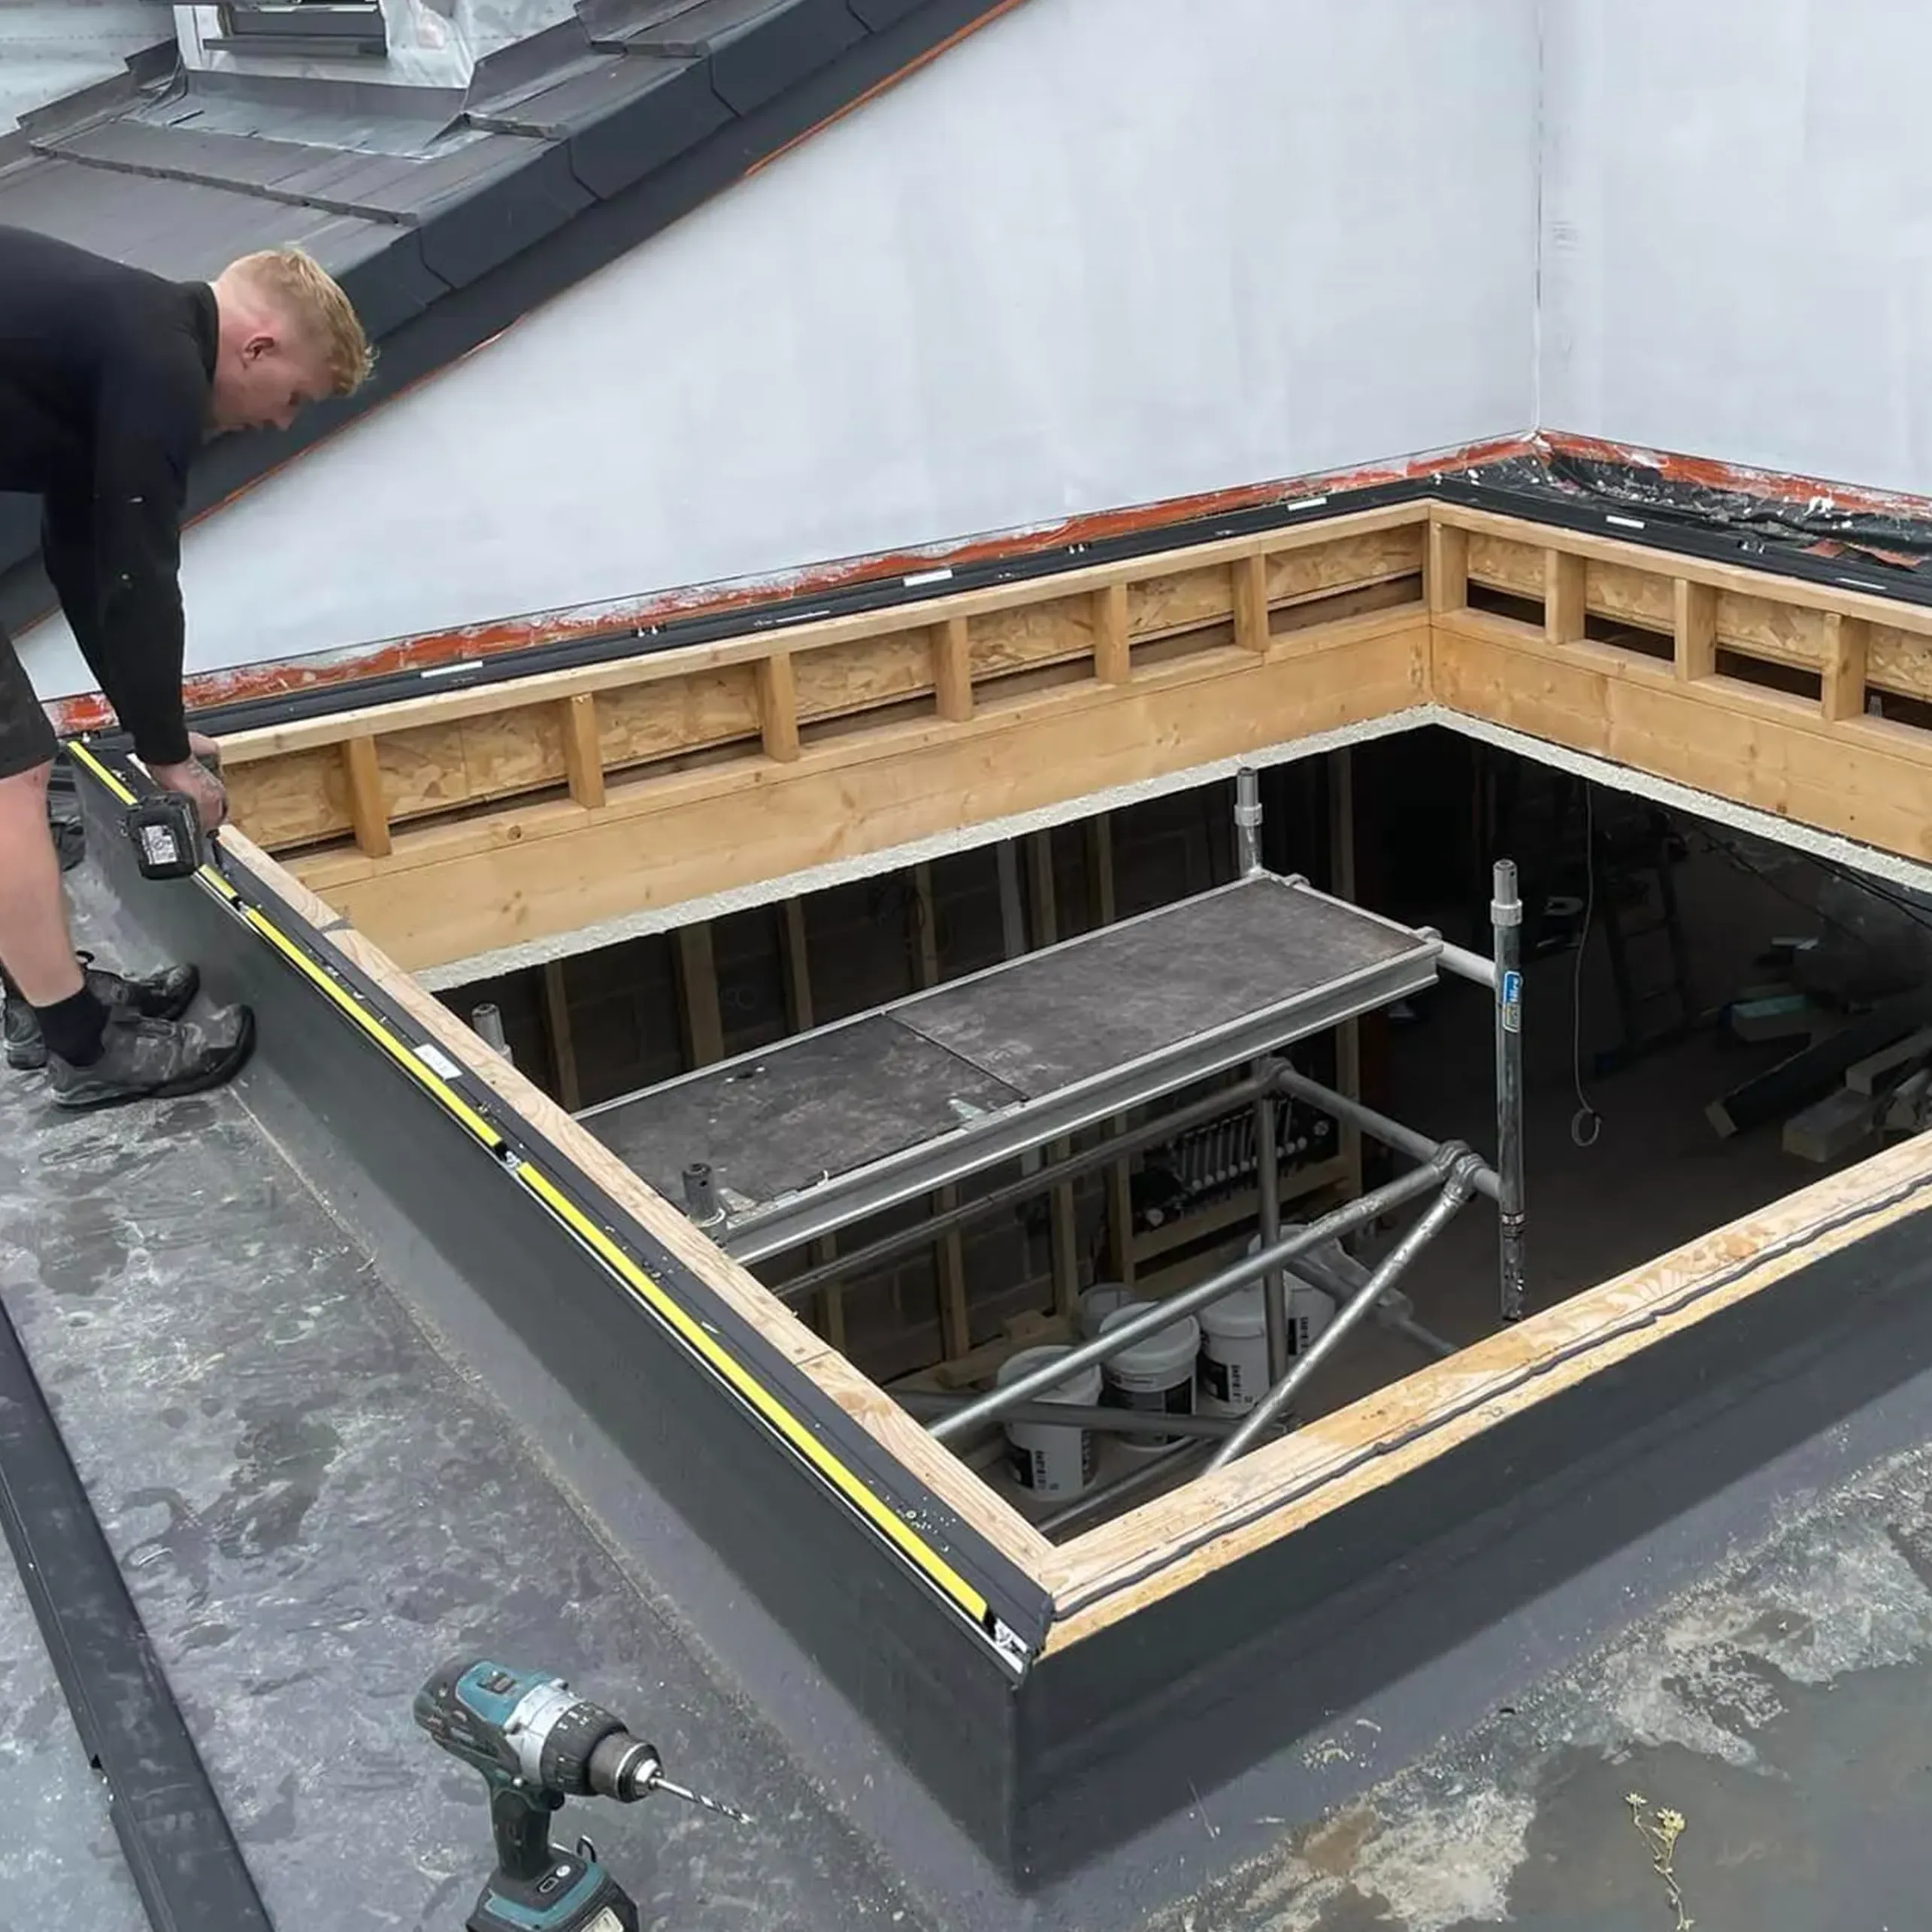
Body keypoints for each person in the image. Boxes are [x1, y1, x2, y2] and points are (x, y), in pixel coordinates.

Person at [0, 226, 372, 1109]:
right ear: (257, 345)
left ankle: (40, 997)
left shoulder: (121, 336)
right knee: (12, 770)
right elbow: (138, 572)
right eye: (292, 397)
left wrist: (153, 728)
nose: (278, 422)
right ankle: (83, 1045)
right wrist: (166, 758)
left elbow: (84, 563)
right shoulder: (161, 360)